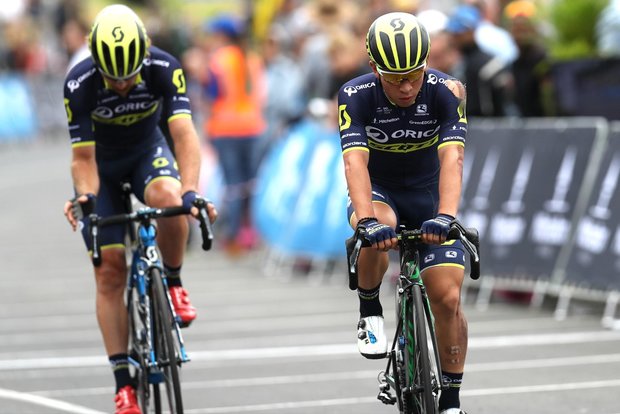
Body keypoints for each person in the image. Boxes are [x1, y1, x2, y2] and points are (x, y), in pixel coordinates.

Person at [61, 5, 217, 413]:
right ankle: (123, 383)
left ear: (145, 51)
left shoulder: (164, 66)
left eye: (130, 75)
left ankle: (174, 280)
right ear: (97, 63)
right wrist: (86, 197)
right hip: (103, 170)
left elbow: (183, 133)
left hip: (148, 153)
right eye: (115, 77)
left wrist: (191, 191)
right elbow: (83, 159)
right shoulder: (79, 83)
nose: (125, 84)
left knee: (170, 201)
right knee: (109, 270)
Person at [338, 12, 469, 414]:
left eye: (414, 74)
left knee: (447, 297)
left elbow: (453, 159)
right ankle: (370, 307)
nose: (408, 86)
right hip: (382, 193)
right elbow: (354, 164)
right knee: (381, 225)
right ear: (375, 67)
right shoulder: (355, 95)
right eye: (395, 78)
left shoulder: (448, 91)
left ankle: (450, 399)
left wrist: (446, 217)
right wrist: (365, 221)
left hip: (429, 197)